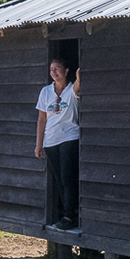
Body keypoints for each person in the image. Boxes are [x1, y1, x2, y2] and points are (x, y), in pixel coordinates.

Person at [35, 58, 80, 232]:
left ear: (66, 70)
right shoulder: (45, 92)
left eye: (58, 69)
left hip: (69, 137)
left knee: (68, 177)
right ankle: (66, 214)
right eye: (52, 69)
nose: (54, 72)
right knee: (60, 179)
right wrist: (38, 145)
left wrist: (78, 77)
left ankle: (70, 216)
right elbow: (41, 119)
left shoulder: (71, 90)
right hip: (50, 141)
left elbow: (77, 87)